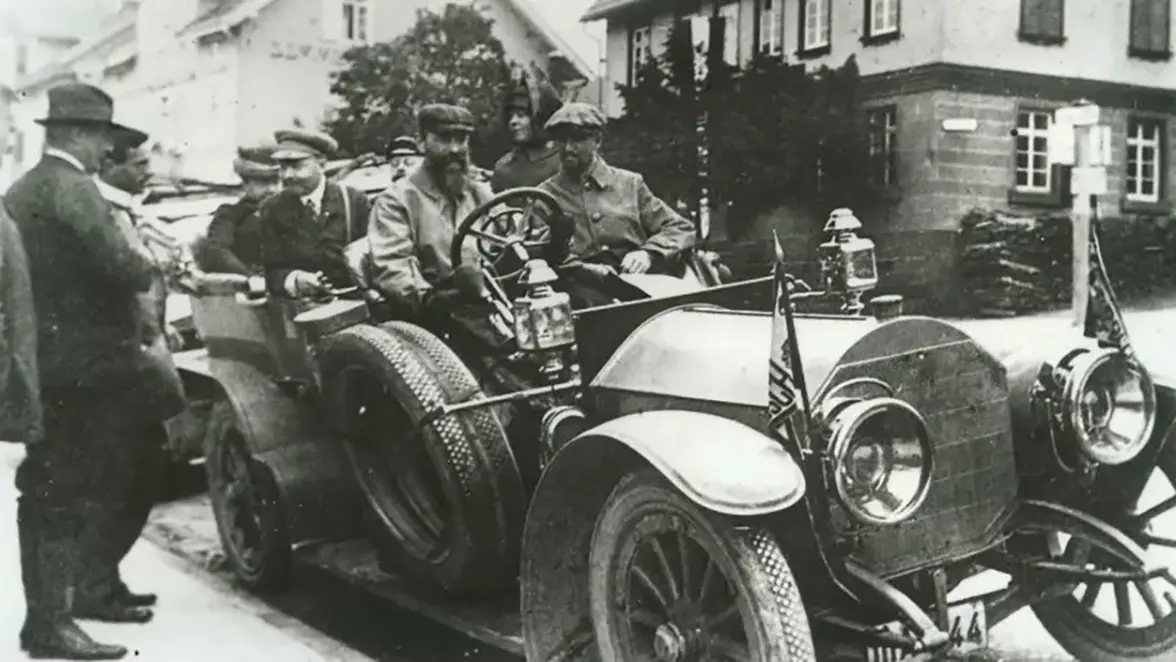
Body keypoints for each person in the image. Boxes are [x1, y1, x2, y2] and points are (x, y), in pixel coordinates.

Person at [4, 82, 181, 660]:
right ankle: (51, 624)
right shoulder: (74, 189)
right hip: (86, 374)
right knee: (63, 493)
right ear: (78, 134)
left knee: (65, 486)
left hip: (53, 367)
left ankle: (82, 597)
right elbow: (124, 268)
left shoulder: (24, 188)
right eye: (102, 138)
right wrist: (153, 259)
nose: (107, 151)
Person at [83, 130, 185, 633]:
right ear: (112, 164)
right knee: (122, 478)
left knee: (140, 474)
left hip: (140, 363)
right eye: (140, 162)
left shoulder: (125, 210)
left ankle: (103, 579)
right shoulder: (102, 214)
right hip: (119, 369)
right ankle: (94, 587)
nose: (149, 169)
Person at [538, 102, 696, 277]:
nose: (568, 148)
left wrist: (648, 253)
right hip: (578, 291)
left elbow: (679, 227)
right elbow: (537, 253)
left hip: (638, 284)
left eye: (577, 139)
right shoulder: (545, 196)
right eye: (561, 140)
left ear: (597, 141)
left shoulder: (630, 184)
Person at [367, 103, 495, 316]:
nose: (455, 149)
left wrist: (550, 242)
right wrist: (432, 299)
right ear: (421, 142)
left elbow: (514, 235)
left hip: (493, 300)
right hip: (436, 316)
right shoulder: (396, 201)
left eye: (461, 139)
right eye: (444, 139)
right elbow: (393, 268)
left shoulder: (480, 194)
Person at [257, 128, 371, 297]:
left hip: (357, 305)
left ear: (322, 164)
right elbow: (270, 272)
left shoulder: (354, 200)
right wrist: (295, 280)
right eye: (283, 167)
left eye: (297, 166)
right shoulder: (273, 208)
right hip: (304, 311)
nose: (287, 175)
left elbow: (376, 256)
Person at [193, 146, 280, 274]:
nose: (272, 189)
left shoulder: (292, 212)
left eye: (276, 181)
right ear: (246, 183)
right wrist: (250, 276)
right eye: (263, 182)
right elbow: (216, 251)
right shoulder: (230, 215)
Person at [490, 68, 563, 192]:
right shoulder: (504, 168)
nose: (513, 122)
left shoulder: (564, 162)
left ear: (541, 116)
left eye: (521, 115)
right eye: (511, 116)